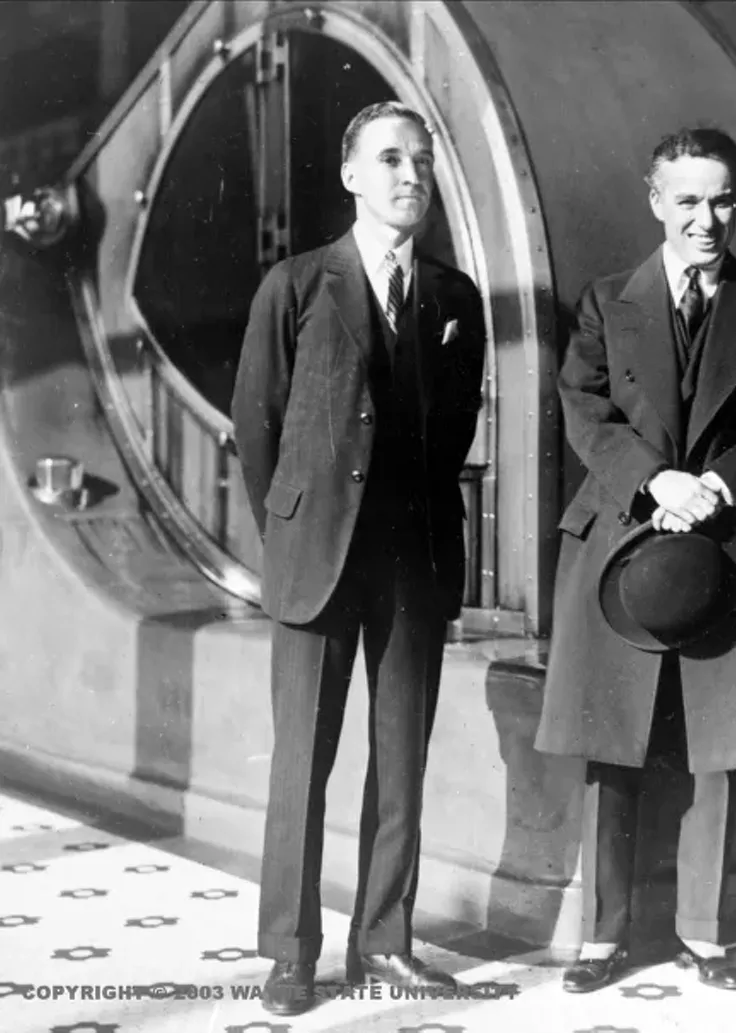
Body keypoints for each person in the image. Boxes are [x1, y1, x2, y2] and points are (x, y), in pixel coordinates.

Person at [535, 128, 736, 993]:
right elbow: (583, 410)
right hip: (622, 534)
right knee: (613, 745)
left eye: (722, 199)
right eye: (688, 201)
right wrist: (656, 481)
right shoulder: (603, 301)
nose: (707, 220)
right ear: (656, 201)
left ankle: (704, 933)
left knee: (717, 747)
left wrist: (721, 486)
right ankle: (603, 937)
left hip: (725, 544)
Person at [231, 100, 485, 1016]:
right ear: (350, 177)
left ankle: (384, 941)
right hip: (317, 558)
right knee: (301, 761)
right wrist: (296, 523)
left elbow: (451, 430)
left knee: (401, 760)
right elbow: (255, 428)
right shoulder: (295, 286)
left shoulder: (454, 299)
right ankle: (291, 952)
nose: (410, 175)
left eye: (420, 161)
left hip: (411, 560)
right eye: (389, 159)